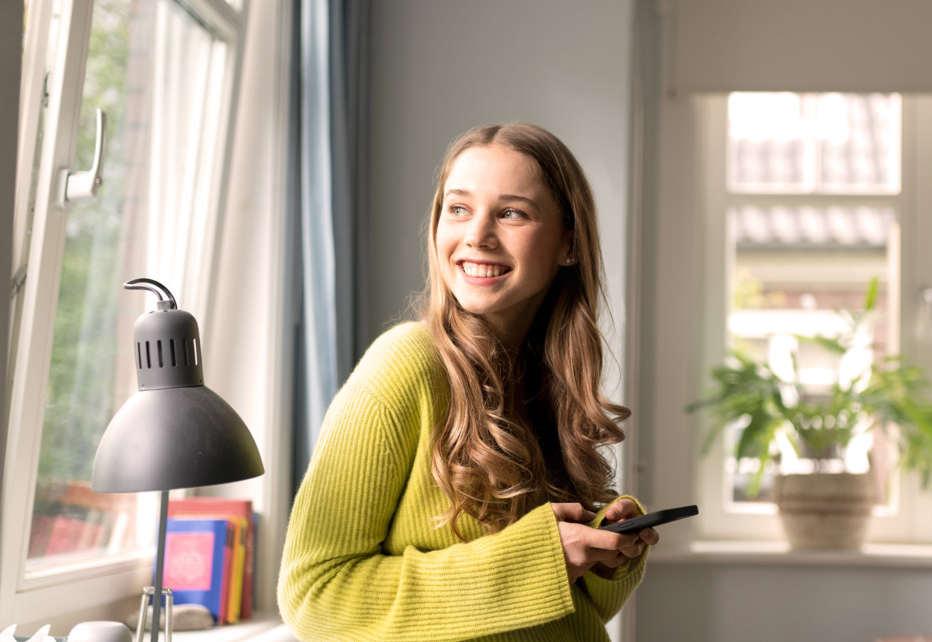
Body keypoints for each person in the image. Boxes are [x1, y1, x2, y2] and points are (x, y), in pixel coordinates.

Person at [279, 123, 657, 641]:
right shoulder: (405, 365)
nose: (477, 234)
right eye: (458, 208)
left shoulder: (550, 384)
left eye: (511, 213)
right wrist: (536, 561)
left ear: (569, 242)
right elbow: (313, 594)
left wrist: (602, 551)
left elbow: (560, 611)